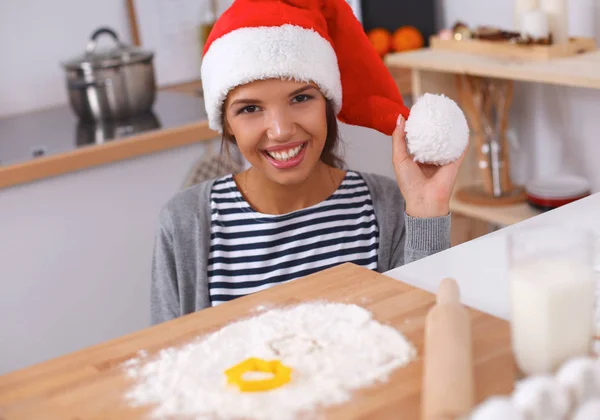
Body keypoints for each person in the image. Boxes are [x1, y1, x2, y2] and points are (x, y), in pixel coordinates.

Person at [150, 0, 464, 324]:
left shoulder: (385, 208)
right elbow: (166, 359)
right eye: (250, 109)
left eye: (300, 98)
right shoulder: (185, 223)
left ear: (327, 104)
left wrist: (428, 211)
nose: (281, 130)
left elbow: (427, 333)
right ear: (226, 123)